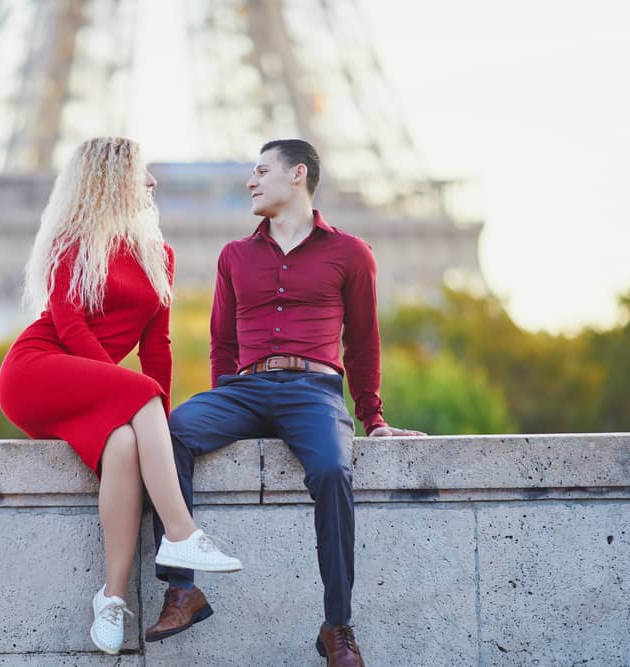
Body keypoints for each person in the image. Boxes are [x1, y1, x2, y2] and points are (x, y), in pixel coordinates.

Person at [147, 139, 425, 666]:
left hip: (313, 392)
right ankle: (182, 590)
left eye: (260, 171)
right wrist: (221, 402)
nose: (251, 181)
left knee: (331, 473)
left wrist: (374, 417)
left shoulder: (351, 253)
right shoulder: (234, 256)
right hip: (244, 389)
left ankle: (337, 626)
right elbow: (222, 344)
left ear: (298, 174)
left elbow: (363, 341)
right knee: (172, 433)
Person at [0, 137, 242, 656]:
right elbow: (68, 326)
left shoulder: (160, 256)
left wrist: (159, 429)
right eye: (142, 173)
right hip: (38, 369)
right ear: (110, 180)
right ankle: (180, 530)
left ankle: (109, 599)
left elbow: (159, 349)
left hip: (97, 387)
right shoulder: (72, 242)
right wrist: (131, 396)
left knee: (127, 448)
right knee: (140, 397)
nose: (152, 183)